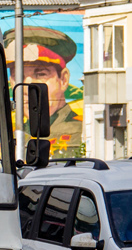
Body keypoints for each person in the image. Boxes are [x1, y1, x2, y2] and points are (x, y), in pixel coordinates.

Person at [5, 27, 82, 158]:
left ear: (63, 79)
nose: (26, 88)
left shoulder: (79, 131)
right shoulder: (7, 133)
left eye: (40, 74)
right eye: (18, 77)